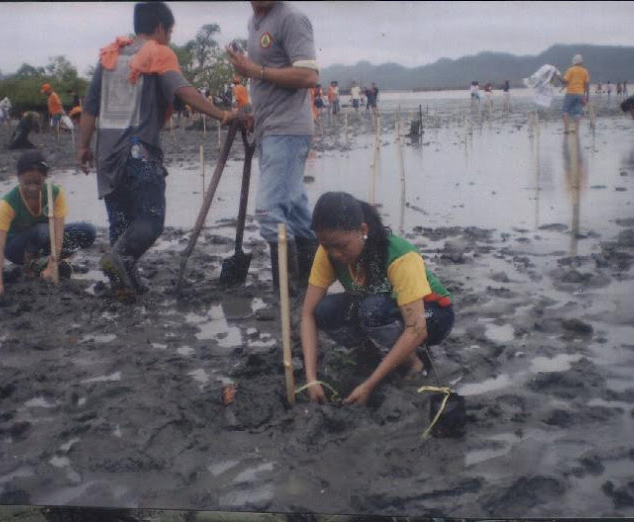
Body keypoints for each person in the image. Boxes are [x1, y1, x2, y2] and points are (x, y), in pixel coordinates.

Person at [77, 1, 247, 296]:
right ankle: (119, 262)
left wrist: (82, 146)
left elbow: (90, 107)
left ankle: (123, 288)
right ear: (159, 29)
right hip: (137, 153)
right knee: (151, 220)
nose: (169, 39)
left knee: (121, 223)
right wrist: (222, 115)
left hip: (107, 158)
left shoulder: (109, 57)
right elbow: (182, 90)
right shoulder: (157, 52)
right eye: (169, 32)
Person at [300, 192, 455, 406]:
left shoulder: (399, 255)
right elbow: (308, 314)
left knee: (372, 309)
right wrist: (311, 378)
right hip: (387, 309)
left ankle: (413, 364)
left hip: (432, 314)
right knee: (326, 311)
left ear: (363, 231)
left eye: (342, 246)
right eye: (327, 246)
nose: (335, 254)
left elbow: (417, 328)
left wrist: (369, 385)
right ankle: (372, 356)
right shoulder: (328, 251)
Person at [226, 0, 320, 291]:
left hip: (288, 129)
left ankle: (287, 289)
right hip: (269, 128)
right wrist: (256, 113)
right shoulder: (254, 23)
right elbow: (264, 78)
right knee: (294, 211)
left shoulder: (291, 18)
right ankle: (308, 285)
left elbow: (309, 76)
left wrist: (256, 70)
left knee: (268, 213)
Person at [0, 151, 96, 298]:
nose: (32, 188)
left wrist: (53, 264)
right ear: (18, 178)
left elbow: (58, 233)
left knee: (87, 231)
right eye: (27, 182)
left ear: (45, 177)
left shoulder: (54, 194)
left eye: (38, 182)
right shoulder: (7, 204)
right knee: (42, 230)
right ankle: (32, 264)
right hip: (16, 248)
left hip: (43, 241)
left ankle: (48, 263)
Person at [556, 54, 590, 134]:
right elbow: (587, 84)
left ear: (574, 62)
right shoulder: (585, 71)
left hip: (570, 93)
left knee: (565, 111)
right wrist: (587, 96)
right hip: (581, 94)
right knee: (578, 112)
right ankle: (576, 129)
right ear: (581, 62)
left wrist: (557, 76)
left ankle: (567, 128)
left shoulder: (570, 70)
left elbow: (565, 81)